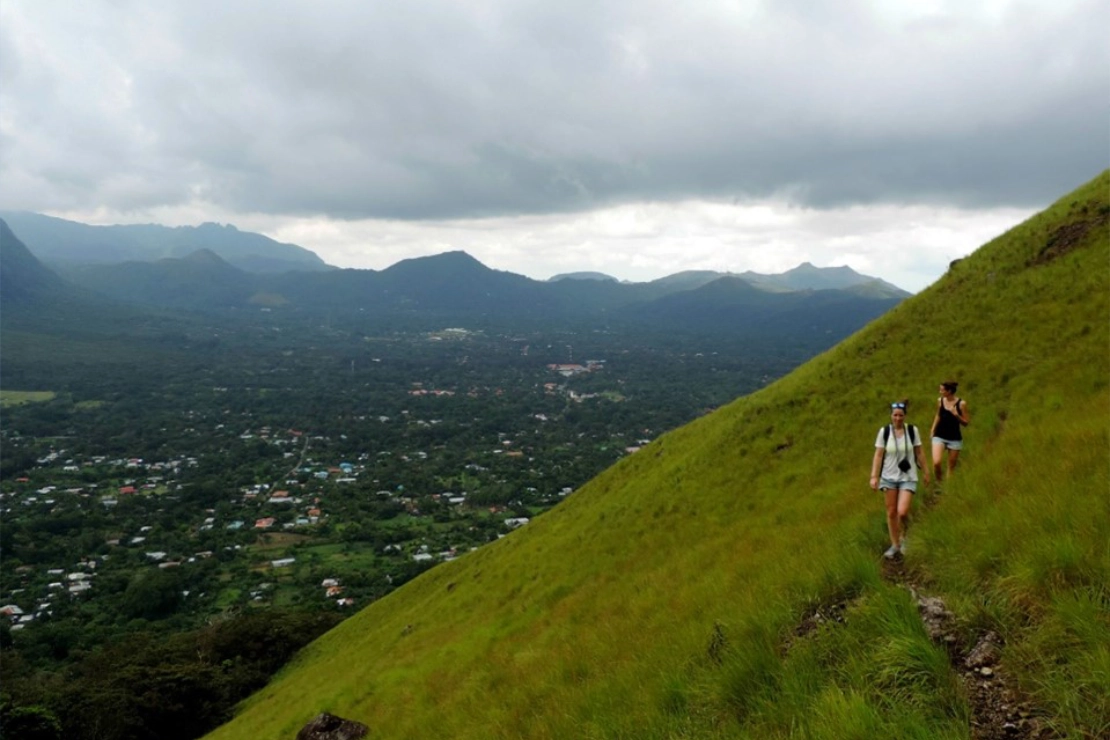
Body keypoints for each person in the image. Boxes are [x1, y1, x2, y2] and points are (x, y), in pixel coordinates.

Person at [870, 400, 930, 559]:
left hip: (908, 476)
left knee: (902, 512)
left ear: (905, 416)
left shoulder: (912, 431)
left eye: (901, 415)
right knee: (891, 512)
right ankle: (895, 544)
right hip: (888, 477)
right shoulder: (884, 432)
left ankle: (906, 535)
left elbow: (919, 452)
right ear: (891, 415)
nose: (898, 418)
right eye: (895, 415)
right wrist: (874, 476)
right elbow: (878, 455)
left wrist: (926, 471)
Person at [929, 381, 970, 483]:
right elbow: (938, 415)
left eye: (942, 390)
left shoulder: (961, 404)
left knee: (951, 467)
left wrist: (956, 414)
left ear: (949, 391)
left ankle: (946, 488)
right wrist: (933, 429)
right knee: (936, 462)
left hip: (954, 438)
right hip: (940, 435)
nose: (940, 392)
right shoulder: (940, 401)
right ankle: (939, 482)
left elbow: (966, 423)